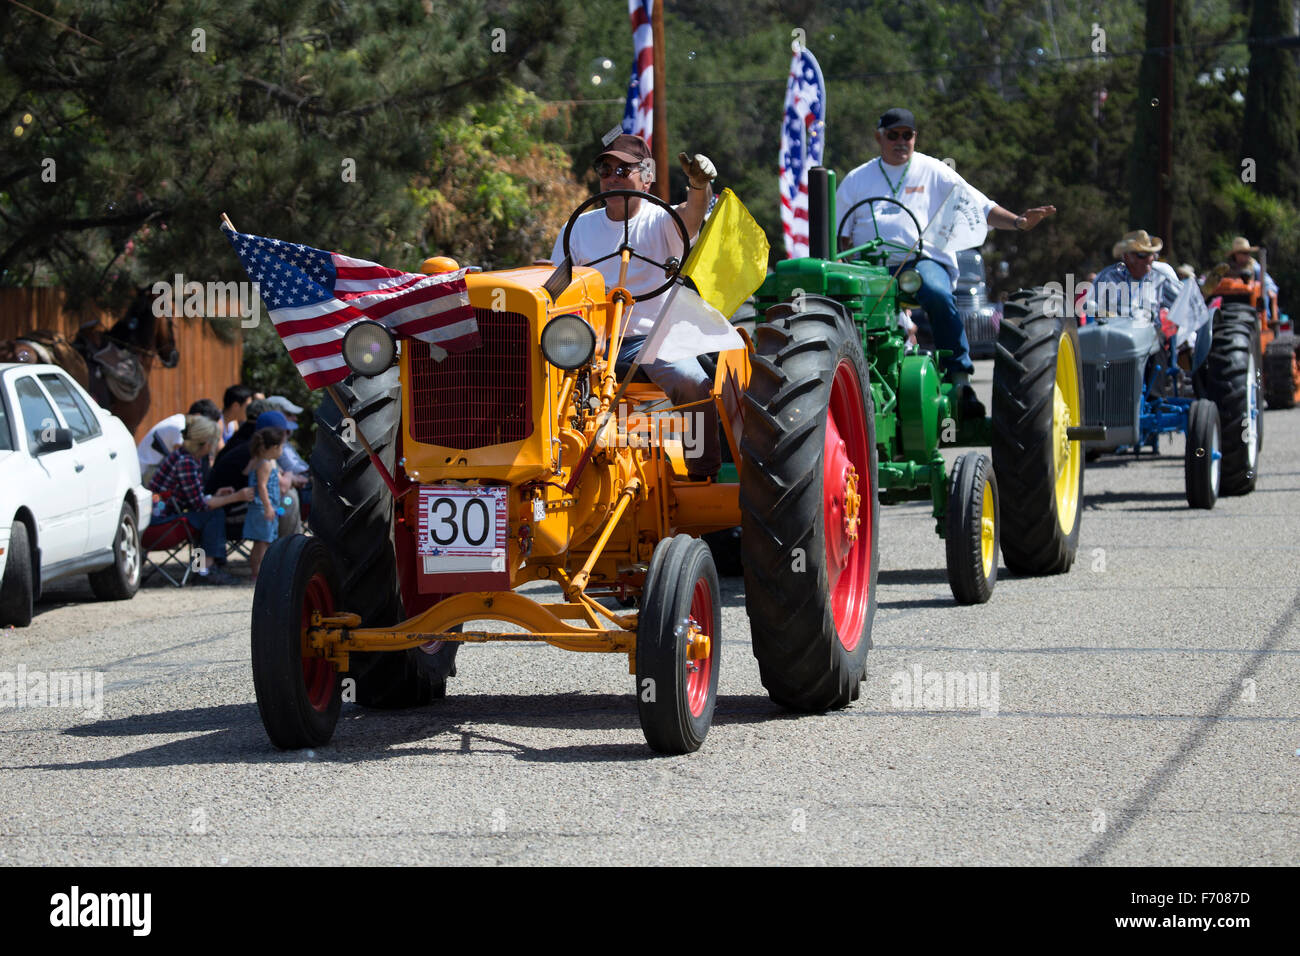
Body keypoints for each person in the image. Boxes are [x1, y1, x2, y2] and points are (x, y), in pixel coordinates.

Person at [836, 107, 1056, 416]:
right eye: (893, 135)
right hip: (870, 266)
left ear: (915, 137)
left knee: (937, 293)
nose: (901, 141)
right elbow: (841, 236)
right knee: (845, 302)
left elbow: (980, 206)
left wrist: (1019, 221)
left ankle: (959, 376)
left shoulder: (934, 170)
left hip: (921, 261)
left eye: (907, 135)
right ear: (878, 137)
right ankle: (850, 374)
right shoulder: (856, 180)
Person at [549, 133, 721, 480]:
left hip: (652, 339)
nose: (612, 177)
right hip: (591, 345)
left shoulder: (662, 221)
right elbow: (556, 287)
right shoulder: (578, 227)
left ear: (646, 177)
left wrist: (698, 187)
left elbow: (691, 216)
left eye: (622, 169)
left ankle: (702, 472)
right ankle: (553, 472)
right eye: (605, 169)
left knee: (691, 380)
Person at [147, 415, 255, 584]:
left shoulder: (183, 456)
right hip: (161, 523)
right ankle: (206, 570)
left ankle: (201, 569)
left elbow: (193, 499)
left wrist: (216, 496)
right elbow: (200, 505)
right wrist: (237, 496)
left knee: (207, 515)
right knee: (212, 515)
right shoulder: (187, 462)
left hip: (160, 517)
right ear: (205, 443)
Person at [1092, 229, 1180, 321]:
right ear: (1126, 256)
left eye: (1151, 254)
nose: (1149, 259)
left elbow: (1185, 305)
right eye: (1142, 254)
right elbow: (1089, 307)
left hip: (1150, 334)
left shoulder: (1161, 278)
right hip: (1115, 333)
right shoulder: (1108, 276)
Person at [137, 399, 221, 483]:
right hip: (146, 472)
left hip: (153, 468)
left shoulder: (182, 422)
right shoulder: (180, 427)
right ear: (198, 416)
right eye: (208, 425)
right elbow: (183, 461)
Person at [242, 426, 286, 580]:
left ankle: (259, 572)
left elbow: (246, 473)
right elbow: (261, 485)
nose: (282, 450)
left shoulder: (258, 460)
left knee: (261, 542)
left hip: (258, 507)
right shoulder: (266, 464)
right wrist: (268, 507)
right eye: (281, 446)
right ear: (274, 447)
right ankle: (258, 574)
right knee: (262, 543)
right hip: (263, 507)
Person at [1202, 236, 1281, 321]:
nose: (1247, 255)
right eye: (1244, 253)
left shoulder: (1254, 267)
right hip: (1227, 307)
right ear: (1236, 254)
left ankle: (1265, 319)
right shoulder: (1225, 269)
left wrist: (1269, 289)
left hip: (1252, 308)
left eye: (1248, 253)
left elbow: (1268, 283)